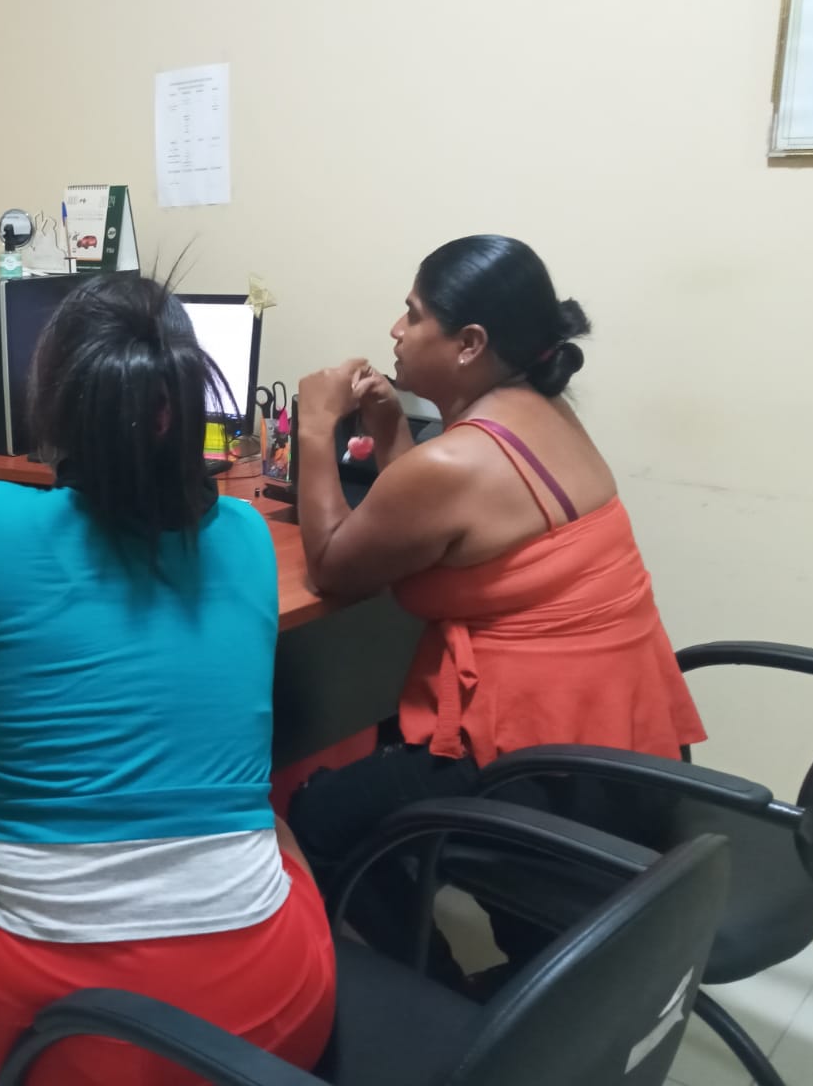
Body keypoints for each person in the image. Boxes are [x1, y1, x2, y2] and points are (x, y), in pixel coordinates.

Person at [0, 274, 336, 1085]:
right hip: (266, 1023)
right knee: (269, 821)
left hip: (48, 1029)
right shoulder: (247, 534)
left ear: (55, 401)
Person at [285, 235, 705, 965]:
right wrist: (390, 432)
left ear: (470, 343)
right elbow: (448, 527)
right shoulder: (540, 413)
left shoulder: (457, 461)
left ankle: (436, 993)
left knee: (317, 817)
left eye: (414, 314)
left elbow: (330, 570)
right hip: (620, 729)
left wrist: (317, 425)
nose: (395, 330)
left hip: (543, 764)